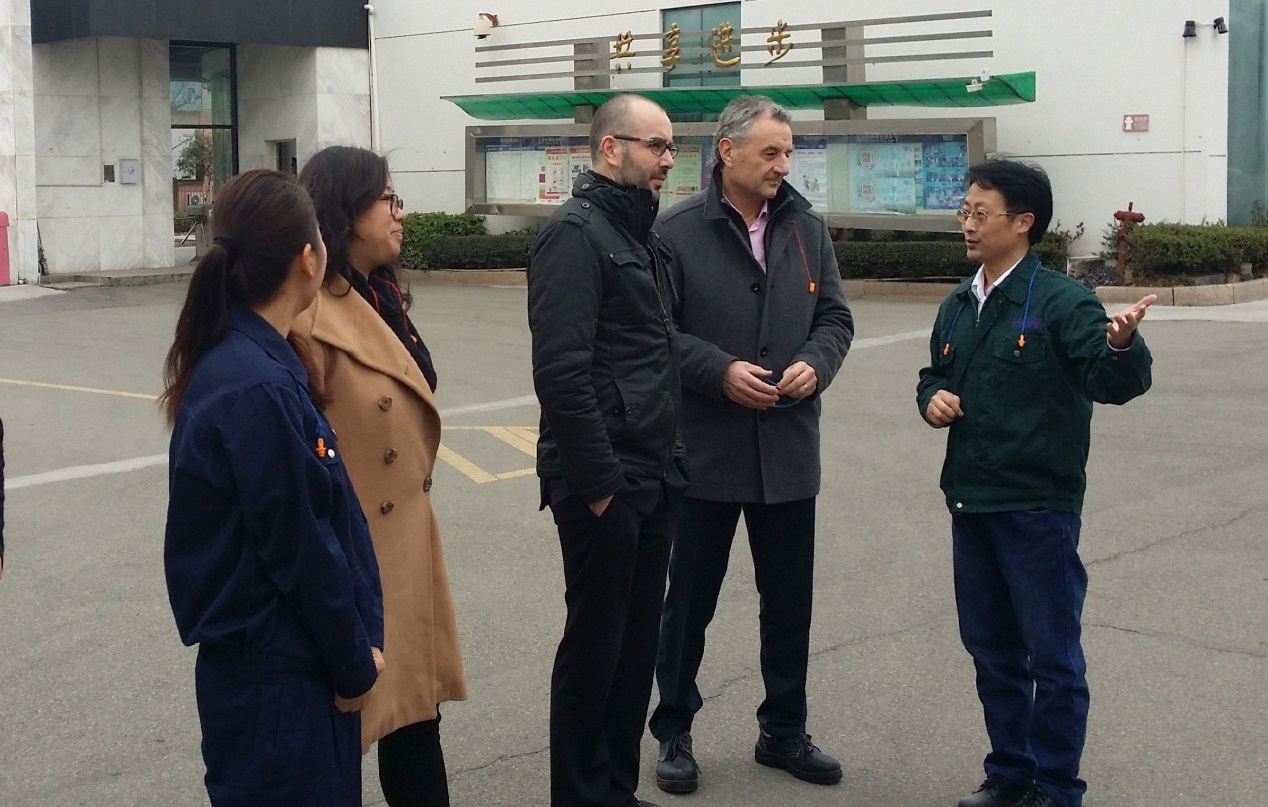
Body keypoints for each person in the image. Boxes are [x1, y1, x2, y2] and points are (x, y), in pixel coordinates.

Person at [916, 159, 1155, 807]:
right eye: (964, 211)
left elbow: (1110, 381)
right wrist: (932, 397)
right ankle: (1010, 772)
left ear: (1023, 222)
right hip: (971, 501)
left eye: (980, 212)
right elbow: (935, 374)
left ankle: (1056, 786)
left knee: (1053, 658)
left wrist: (1122, 345)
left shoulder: (1059, 300)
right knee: (992, 651)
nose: (967, 223)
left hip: (1038, 510)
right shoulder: (960, 303)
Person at [648, 94, 854, 794]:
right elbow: (656, 332)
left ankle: (784, 729)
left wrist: (816, 364)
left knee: (789, 603)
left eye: (788, 152)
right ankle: (673, 728)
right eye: (770, 152)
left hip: (789, 451)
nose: (783, 165)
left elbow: (835, 317)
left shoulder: (807, 228)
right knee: (688, 604)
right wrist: (719, 371)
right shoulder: (674, 231)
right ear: (727, 152)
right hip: (704, 451)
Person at [161, 168, 385, 807]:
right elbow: (302, 546)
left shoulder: (252, 360)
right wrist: (353, 663)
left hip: (278, 675)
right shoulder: (254, 386)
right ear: (308, 259)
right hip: (282, 685)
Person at [294, 145, 466, 807]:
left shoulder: (381, 293)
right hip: (354, 553)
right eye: (387, 199)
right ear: (344, 211)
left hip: (404, 543)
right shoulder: (307, 316)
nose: (400, 213)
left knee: (414, 720)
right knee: (345, 731)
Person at [528, 93, 687, 807]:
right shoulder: (573, 234)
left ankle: (616, 790)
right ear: (611, 148)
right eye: (655, 145)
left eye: (670, 145)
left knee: (634, 650)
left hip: (653, 475)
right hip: (605, 481)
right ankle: (581, 795)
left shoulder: (640, 235)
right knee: (595, 650)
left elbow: (656, 353)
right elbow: (562, 372)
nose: (667, 159)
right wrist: (599, 487)